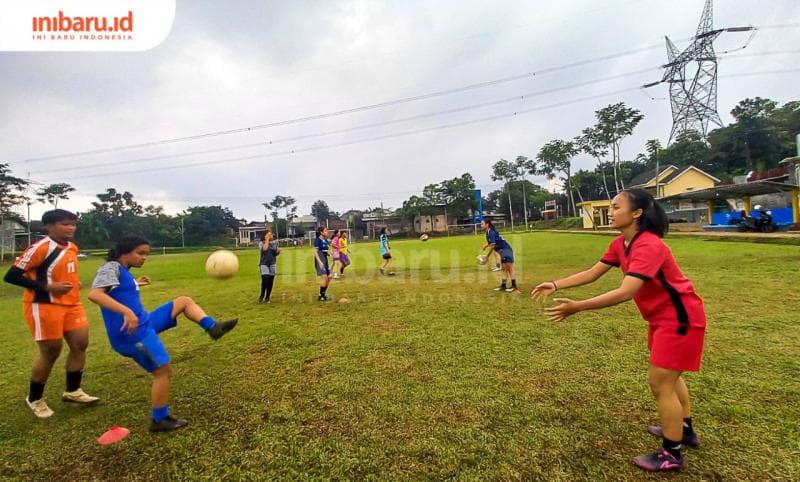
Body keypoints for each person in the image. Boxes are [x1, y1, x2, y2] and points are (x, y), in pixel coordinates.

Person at [531, 188, 706, 472]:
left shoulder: (649, 245)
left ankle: (672, 454)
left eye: (616, 207)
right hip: (662, 319)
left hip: (680, 319)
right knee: (670, 378)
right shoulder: (621, 243)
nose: (610, 212)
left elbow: (626, 292)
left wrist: (578, 306)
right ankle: (684, 430)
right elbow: (592, 272)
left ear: (637, 213)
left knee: (660, 383)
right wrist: (555, 283)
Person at [88, 236, 238, 431]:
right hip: (132, 334)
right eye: (140, 253)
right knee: (163, 372)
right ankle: (160, 419)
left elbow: (118, 289)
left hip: (144, 323)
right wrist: (126, 312)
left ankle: (213, 328)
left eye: (146, 254)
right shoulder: (111, 267)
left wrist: (136, 283)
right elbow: (95, 294)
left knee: (183, 301)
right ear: (125, 251)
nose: (144, 258)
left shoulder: (122, 270)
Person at [3, 209, 99, 418]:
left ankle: (73, 391)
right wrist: (47, 287)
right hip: (44, 305)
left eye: (73, 224)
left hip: (72, 304)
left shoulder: (72, 247)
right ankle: (35, 398)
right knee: (51, 351)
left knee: (80, 344)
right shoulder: (41, 247)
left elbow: (65, 271)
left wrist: (74, 283)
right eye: (65, 224)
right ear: (49, 226)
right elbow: (11, 276)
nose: (70, 228)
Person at [480, 219, 517, 292]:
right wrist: (486, 246)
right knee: (503, 269)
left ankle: (514, 286)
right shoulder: (488, 232)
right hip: (503, 251)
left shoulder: (491, 232)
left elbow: (493, 245)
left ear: (487, 225)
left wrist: (487, 256)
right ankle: (503, 286)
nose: (481, 225)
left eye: (482, 224)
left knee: (509, 268)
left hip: (506, 251)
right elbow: (493, 242)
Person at [258, 229, 280, 303]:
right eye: (269, 234)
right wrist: (267, 239)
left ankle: (267, 297)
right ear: (265, 236)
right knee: (265, 279)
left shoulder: (275, 243)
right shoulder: (261, 243)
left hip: (272, 263)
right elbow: (265, 248)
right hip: (264, 264)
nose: (271, 236)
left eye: (271, 234)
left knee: (270, 280)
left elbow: (276, 253)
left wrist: (278, 251)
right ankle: (262, 294)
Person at [313, 227, 332, 301]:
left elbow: (325, 251)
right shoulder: (318, 240)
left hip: (325, 260)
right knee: (325, 278)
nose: (327, 232)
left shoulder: (326, 241)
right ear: (321, 232)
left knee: (329, 277)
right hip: (320, 260)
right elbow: (315, 252)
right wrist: (319, 262)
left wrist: (329, 254)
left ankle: (322, 295)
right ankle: (321, 296)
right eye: (326, 231)